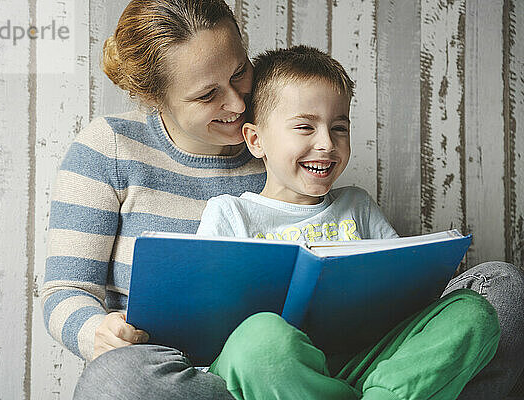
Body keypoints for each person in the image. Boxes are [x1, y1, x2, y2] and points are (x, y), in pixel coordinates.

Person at [40, 0, 524, 399]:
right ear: (158, 98)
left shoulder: (295, 144)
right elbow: (65, 289)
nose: (235, 103)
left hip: (349, 359)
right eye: (208, 95)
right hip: (213, 379)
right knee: (119, 380)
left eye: (239, 73)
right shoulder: (110, 147)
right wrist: (96, 331)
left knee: (502, 289)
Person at [195, 45, 500, 400]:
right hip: (275, 372)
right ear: (256, 139)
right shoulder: (230, 214)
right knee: (260, 339)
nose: (327, 143)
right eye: (305, 127)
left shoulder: (357, 205)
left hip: (362, 365)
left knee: (474, 313)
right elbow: (208, 332)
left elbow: (406, 296)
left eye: (339, 127)